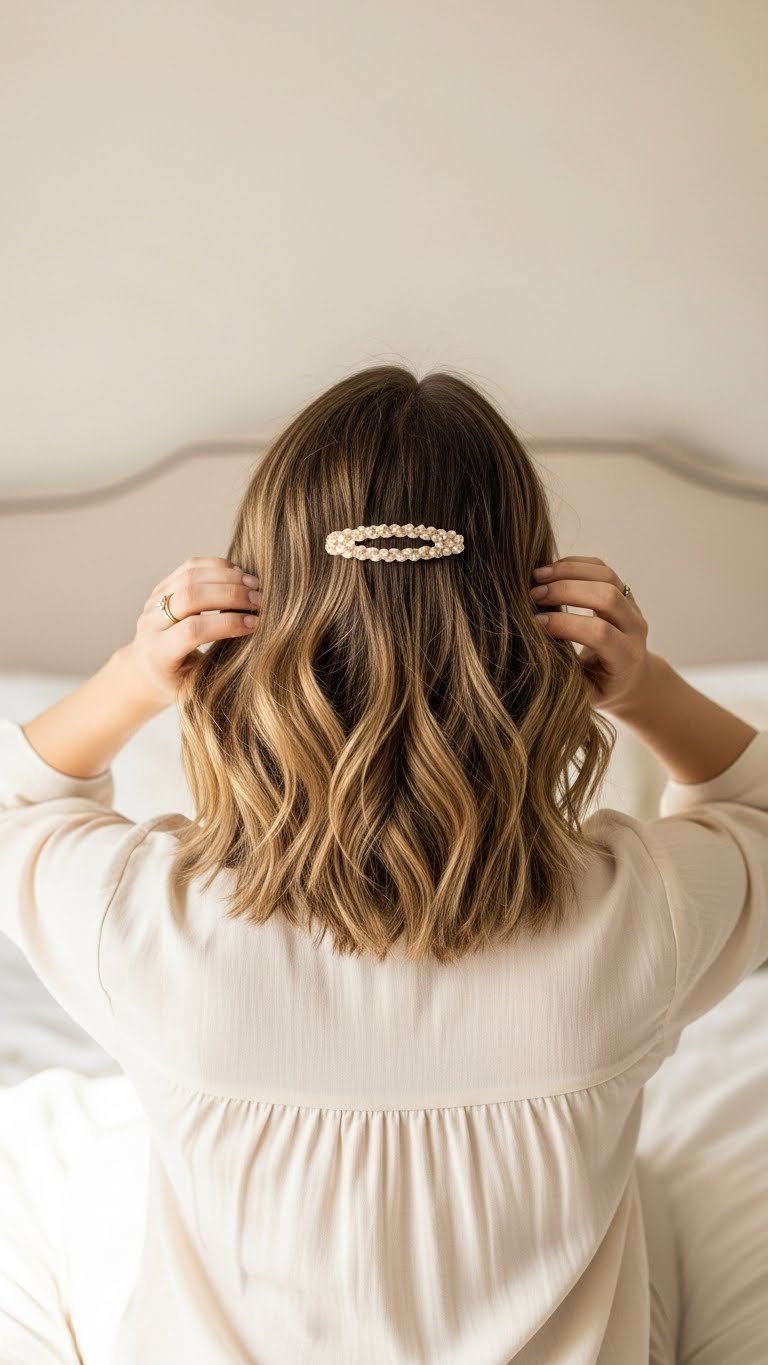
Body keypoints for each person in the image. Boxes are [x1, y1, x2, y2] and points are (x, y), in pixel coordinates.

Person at [0, 365, 766, 1364]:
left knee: (54, 1140)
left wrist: (131, 676)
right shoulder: (642, 916)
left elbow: (24, 800)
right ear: (536, 633)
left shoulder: (142, 925)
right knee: (648, 1200)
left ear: (249, 627)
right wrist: (650, 688)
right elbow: (754, 803)